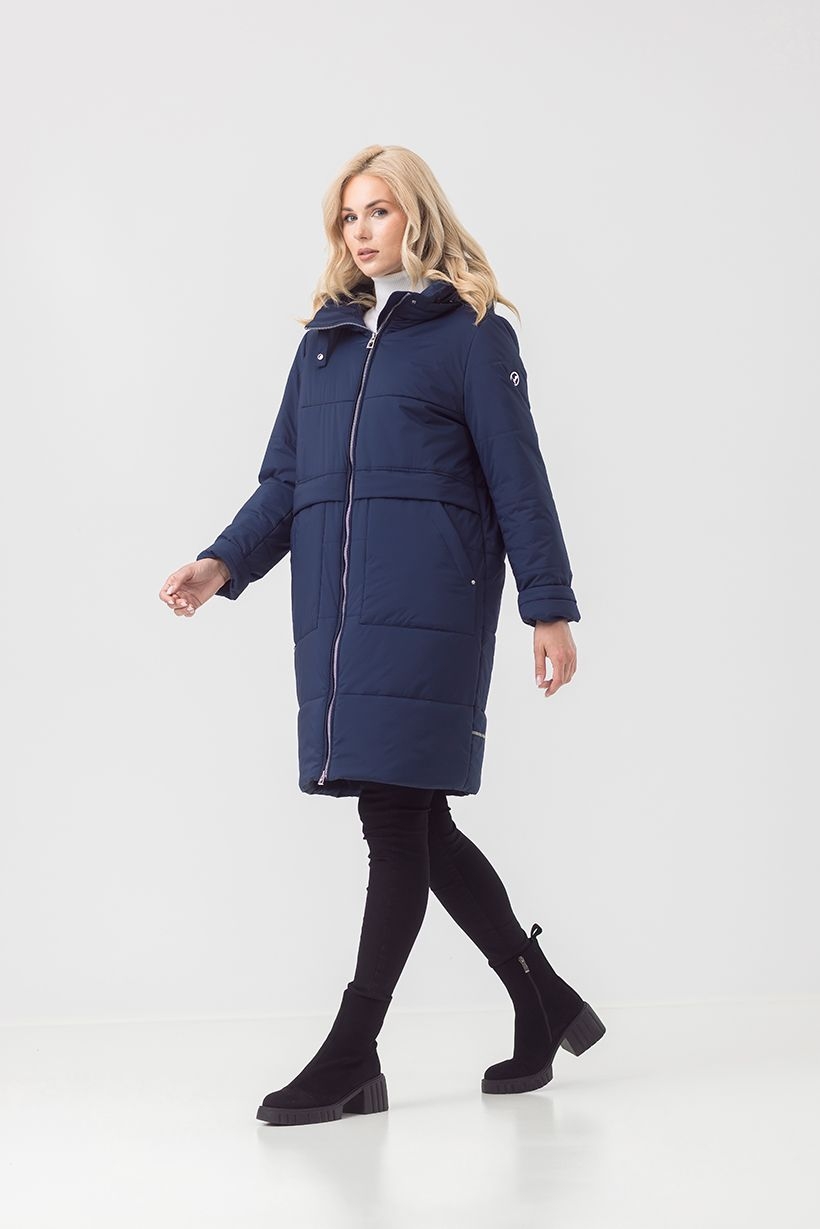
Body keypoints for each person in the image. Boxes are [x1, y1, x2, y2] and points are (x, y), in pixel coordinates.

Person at [158, 144, 605, 1127]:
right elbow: (287, 481)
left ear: (419, 217)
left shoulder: (471, 334)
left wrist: (548, 605)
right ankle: (542, 998)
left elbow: (518, 477)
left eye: (379, 211)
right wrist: (221, 561)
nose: (361, 231)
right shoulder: (323, 343)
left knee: (395, 822)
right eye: (348, 216)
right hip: (337, 618)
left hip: (432, 608)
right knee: (419, 821)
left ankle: (352, 1052)